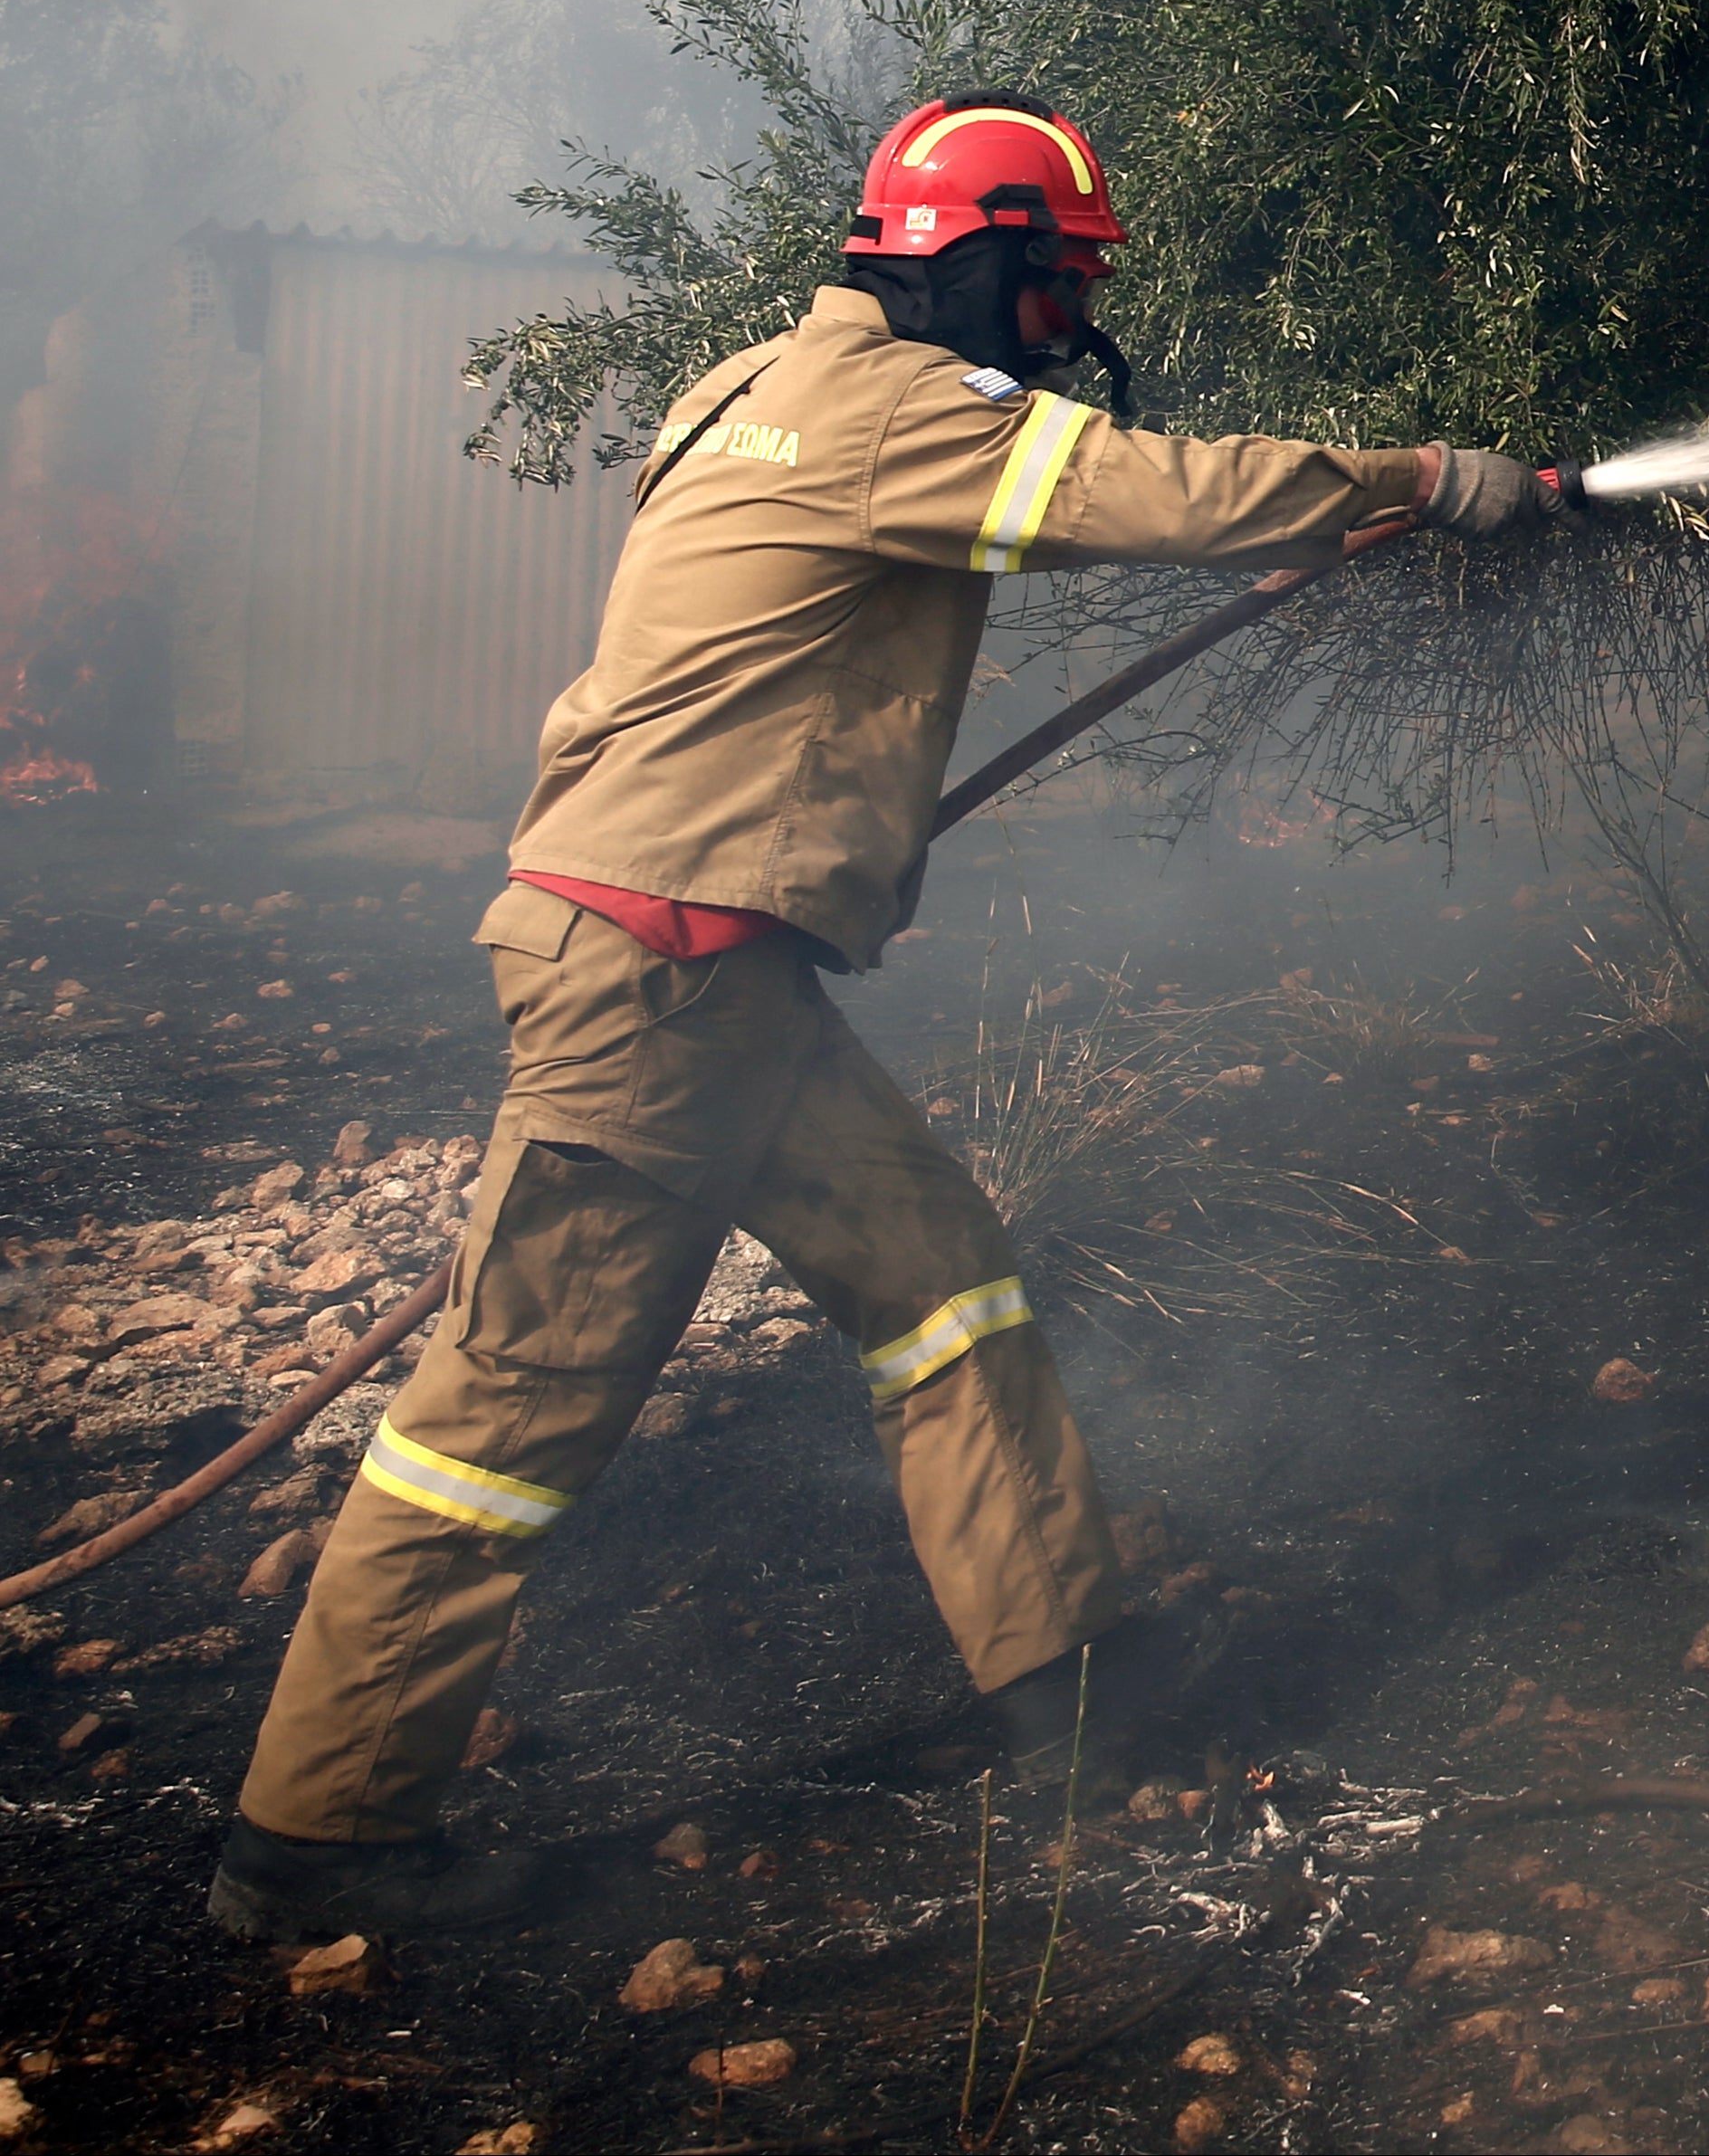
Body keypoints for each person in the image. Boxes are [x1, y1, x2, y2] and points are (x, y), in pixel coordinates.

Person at [213, 94, 1555, 1941]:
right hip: (660, 982)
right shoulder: (886, 413)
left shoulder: (758, 383)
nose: (1061, 325)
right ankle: (325, 1831)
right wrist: (1414, 479)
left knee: (943, 1286)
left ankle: (1071, 1680)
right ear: (984, 253)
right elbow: (1137, 491)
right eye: (1054, 283)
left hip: (710, 970)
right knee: (504, 1407)